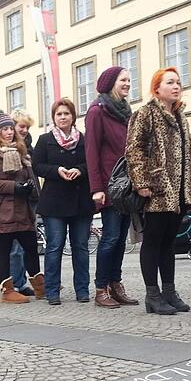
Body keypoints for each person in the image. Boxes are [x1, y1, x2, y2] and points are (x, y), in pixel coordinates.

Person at [126, 67, 191, 315]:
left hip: (177, 190)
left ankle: (169, 291)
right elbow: (135, 150)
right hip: (156, 188)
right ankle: (152, 295)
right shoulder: (146, 113)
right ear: (157, 88)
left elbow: (186, 156)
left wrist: (190, 186)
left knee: (169, 241)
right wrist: (142, 182)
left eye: (178, 82)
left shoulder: (180, 116)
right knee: (153, 240)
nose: (176, 86)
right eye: (170, 82)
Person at [84, 66, 139, 308]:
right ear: (110, 83)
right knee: (110, 237)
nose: (127, 83)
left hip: (126, 186)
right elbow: (92, 152)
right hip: (109, 186)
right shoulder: (98, 111)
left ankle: (115, 284)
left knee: (119, 240)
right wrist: (97, 187)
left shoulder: (126, 111)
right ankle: (100, 288)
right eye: (122, 80)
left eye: (129, 79)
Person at [0, 110, 45, 303]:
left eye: (10, 129)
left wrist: (29, 185)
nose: (9, 132)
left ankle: (39, 287)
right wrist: (13, 187)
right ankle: (8, 291)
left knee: (31, 248)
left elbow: (27, 178)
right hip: (1, 211)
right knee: (5, 251)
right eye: (5, 129)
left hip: (23, 210)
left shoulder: (21, 151)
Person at [33, 98, 95, 305]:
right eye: (59, 114)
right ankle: (52, 291)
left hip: (80, 201)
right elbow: (37, 166)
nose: (63, 117)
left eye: (66, 113)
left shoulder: (84, 139)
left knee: (81, 247)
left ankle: (82, 290)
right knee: (54, 246)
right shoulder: (44, 140)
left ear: (73, 116)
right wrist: (57, 170)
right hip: (54, 202)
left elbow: (92, 163)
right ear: (54, 117)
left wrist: (80, 169)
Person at [6, 109, 38, 297]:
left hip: (31, 198)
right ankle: (16, 283)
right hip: (15, 199)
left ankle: (25, 281)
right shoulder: (8, 148)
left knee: (28, 245)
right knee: (15, 247)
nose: (24, 130)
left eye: (26, 127)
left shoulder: (30, 147)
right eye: (21, 126)